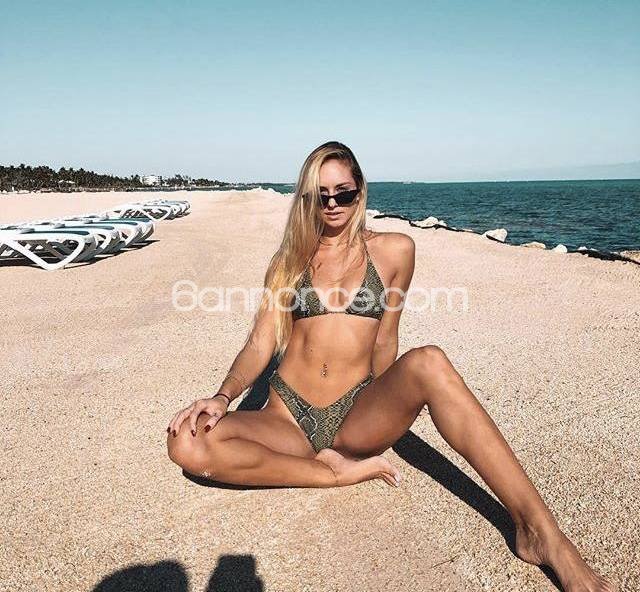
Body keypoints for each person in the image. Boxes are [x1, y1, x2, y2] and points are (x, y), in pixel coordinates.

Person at [167, 141, 615, 592]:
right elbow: (260, 342)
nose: (332, 204)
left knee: (430, 362)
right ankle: (330, 473)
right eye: (320, 195)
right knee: (186, 442)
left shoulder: (395, 250)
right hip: (286, 417)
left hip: (355, 413)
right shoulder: (289, 260)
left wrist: (387, 402)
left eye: (343, 193)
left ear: (360, 191)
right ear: (306, 199)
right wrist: (223, 396)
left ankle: (542, 534)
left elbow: (385, 338)